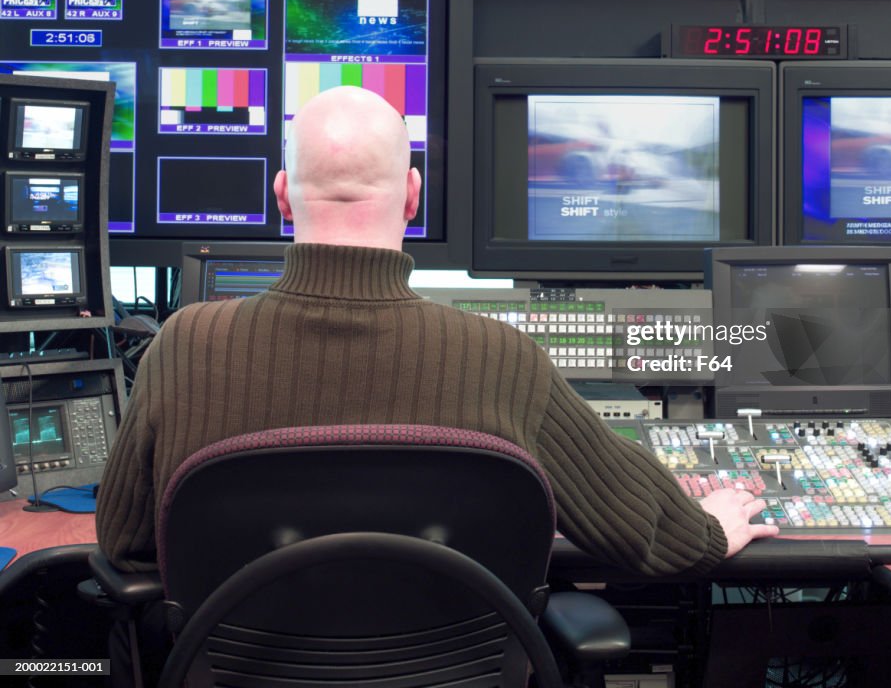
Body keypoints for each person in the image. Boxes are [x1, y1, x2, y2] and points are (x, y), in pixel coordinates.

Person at [96, 85, 777, 577]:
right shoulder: (502, 360)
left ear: (280, 196)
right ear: (414, 195)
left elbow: (123, 542)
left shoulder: (183, 345)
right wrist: (707, 530)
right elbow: (643, 533)